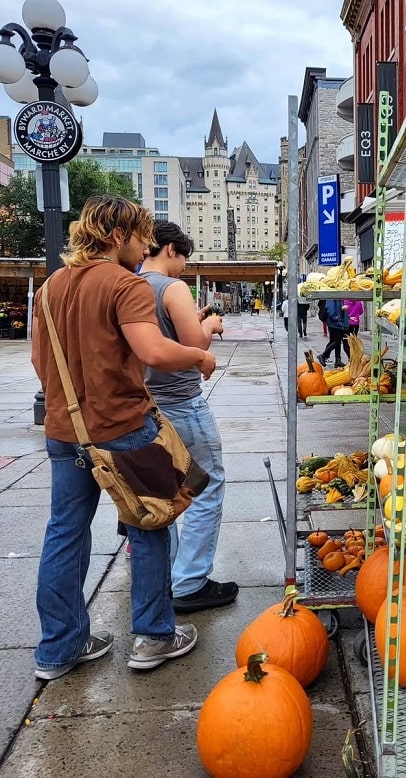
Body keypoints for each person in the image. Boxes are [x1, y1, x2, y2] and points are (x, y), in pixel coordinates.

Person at [31, 195, 216, 681]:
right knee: (150, 524)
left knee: (64, 533)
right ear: (118, 237)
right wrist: (199, 358)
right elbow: (153, 350)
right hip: (123, 428)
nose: (145, 247)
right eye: (141, 238)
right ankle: (154, 636)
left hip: (64, 430)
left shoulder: (50, 287)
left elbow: (39, 362)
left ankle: (58, 649)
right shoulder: (123, 284)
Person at [139, 221, 238, 613]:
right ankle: (191, 581)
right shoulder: (171, 287)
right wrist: (208, 325)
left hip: (146, 407)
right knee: (206, 486)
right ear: (169, 250)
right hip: (182, 403)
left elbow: (158, 339)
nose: (183, 266)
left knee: (162, 493)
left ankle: (165, 576)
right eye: (183, 258)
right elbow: (194, 346)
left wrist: (188, 321)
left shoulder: (128, 285)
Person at [317, 299, 350, 368]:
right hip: (334, 324)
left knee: (336, 342)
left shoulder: (338, 299)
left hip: (337, 323)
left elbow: (337, 309)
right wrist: (337, 318)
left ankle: (338, 361)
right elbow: (331, 310)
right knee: (337, 342)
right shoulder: (332, 298)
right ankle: (323, 355)